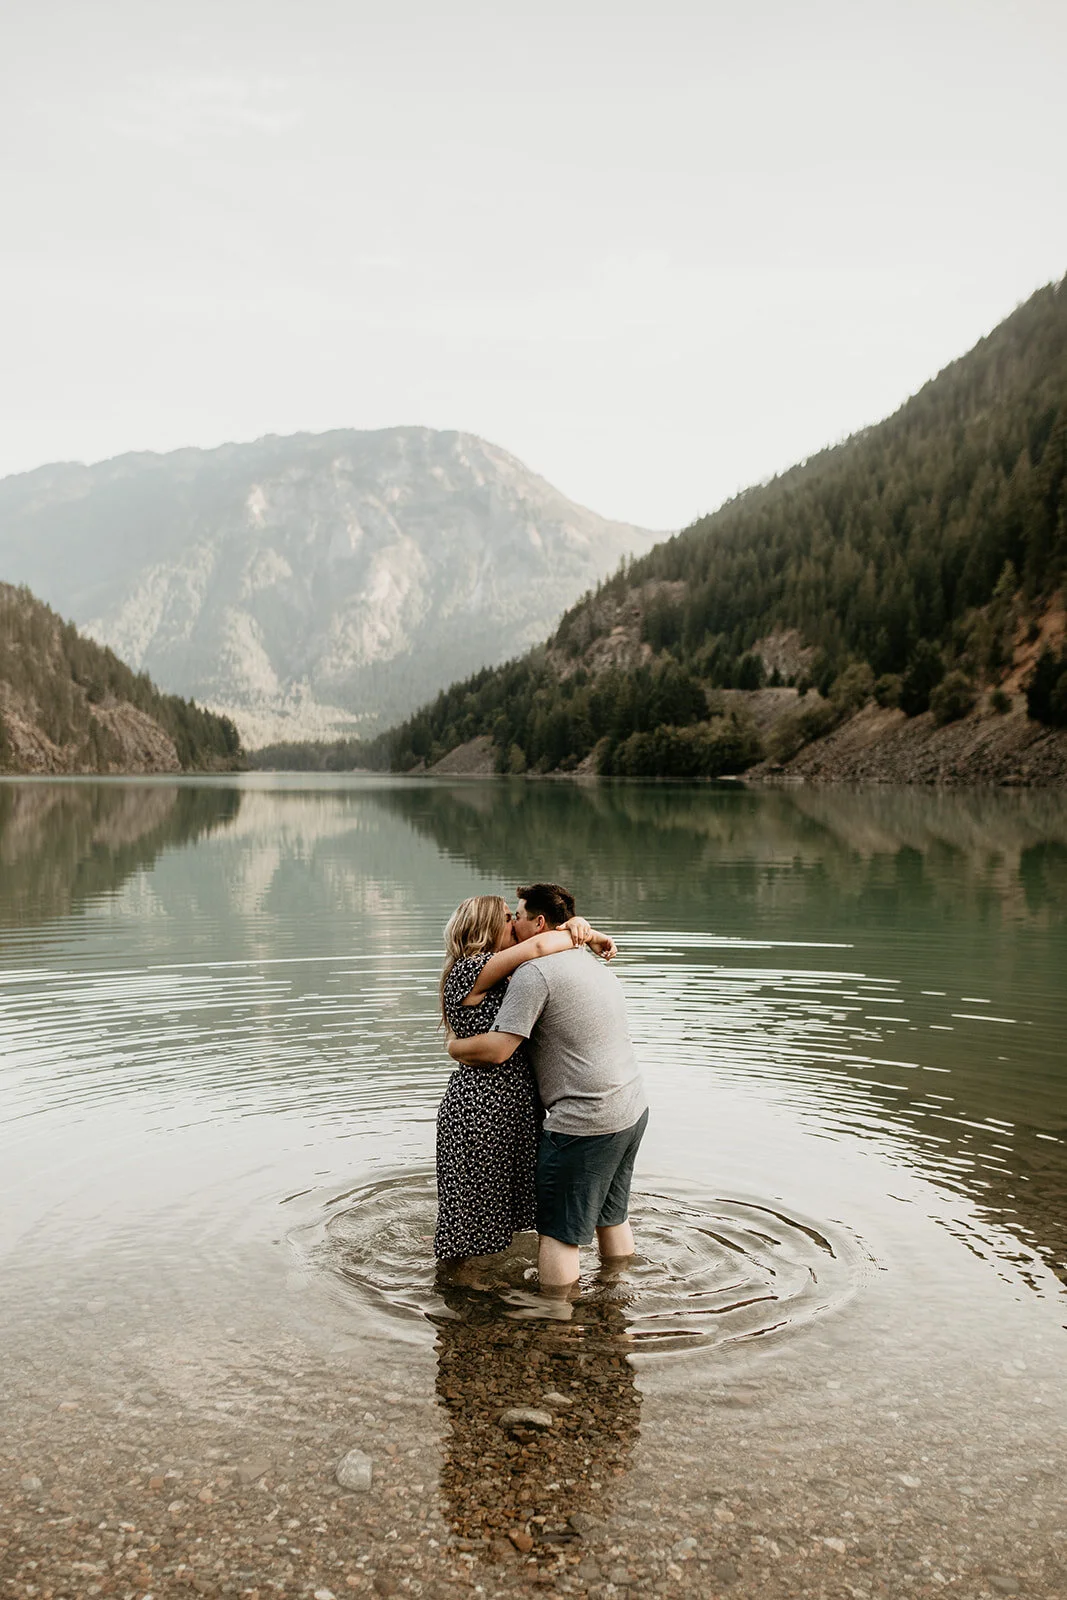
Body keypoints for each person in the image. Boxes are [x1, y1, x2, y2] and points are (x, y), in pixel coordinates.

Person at [447, 883, 647, 1290]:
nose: (514, 923)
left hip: (585, 1117)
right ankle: (617, 1294)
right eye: (507, 918)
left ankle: (555, 1317)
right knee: (612, 1215)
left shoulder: (534, 972)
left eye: (516, 916)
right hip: (631, 1106)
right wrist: (588, 935)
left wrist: (453, 1046)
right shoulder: (584, 962)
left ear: (538, 922)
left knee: (557, 1233)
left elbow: (502, 1047)